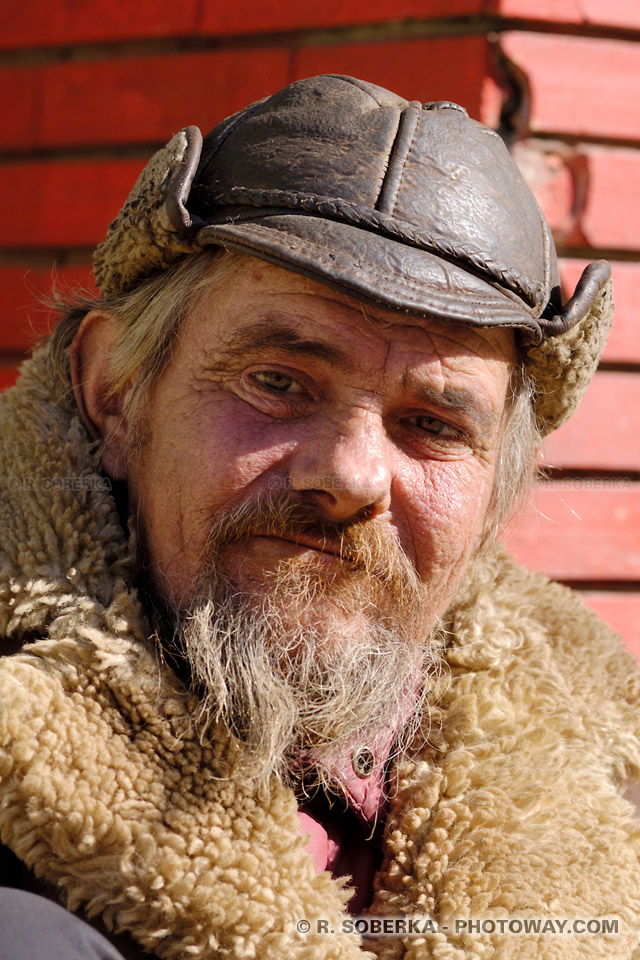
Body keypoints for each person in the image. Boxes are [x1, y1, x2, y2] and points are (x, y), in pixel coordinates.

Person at [0, 74, 638, 960]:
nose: (348, 476)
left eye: (433, 425)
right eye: (277, 382)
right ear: (115, 393)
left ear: (495, 493)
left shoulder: (617, 783)